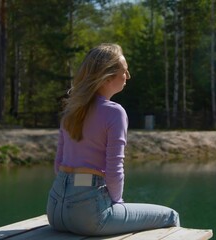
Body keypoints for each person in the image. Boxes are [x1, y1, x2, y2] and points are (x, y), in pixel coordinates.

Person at [46, 43, 180, 236]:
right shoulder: (114, 112)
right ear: (107, 77)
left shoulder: (71, 109)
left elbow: (58, 164)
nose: (128, 76)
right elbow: (114, 168)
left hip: (55, 211)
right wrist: (116, 204)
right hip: (90, 215)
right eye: (124, 71)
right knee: (170, 216)